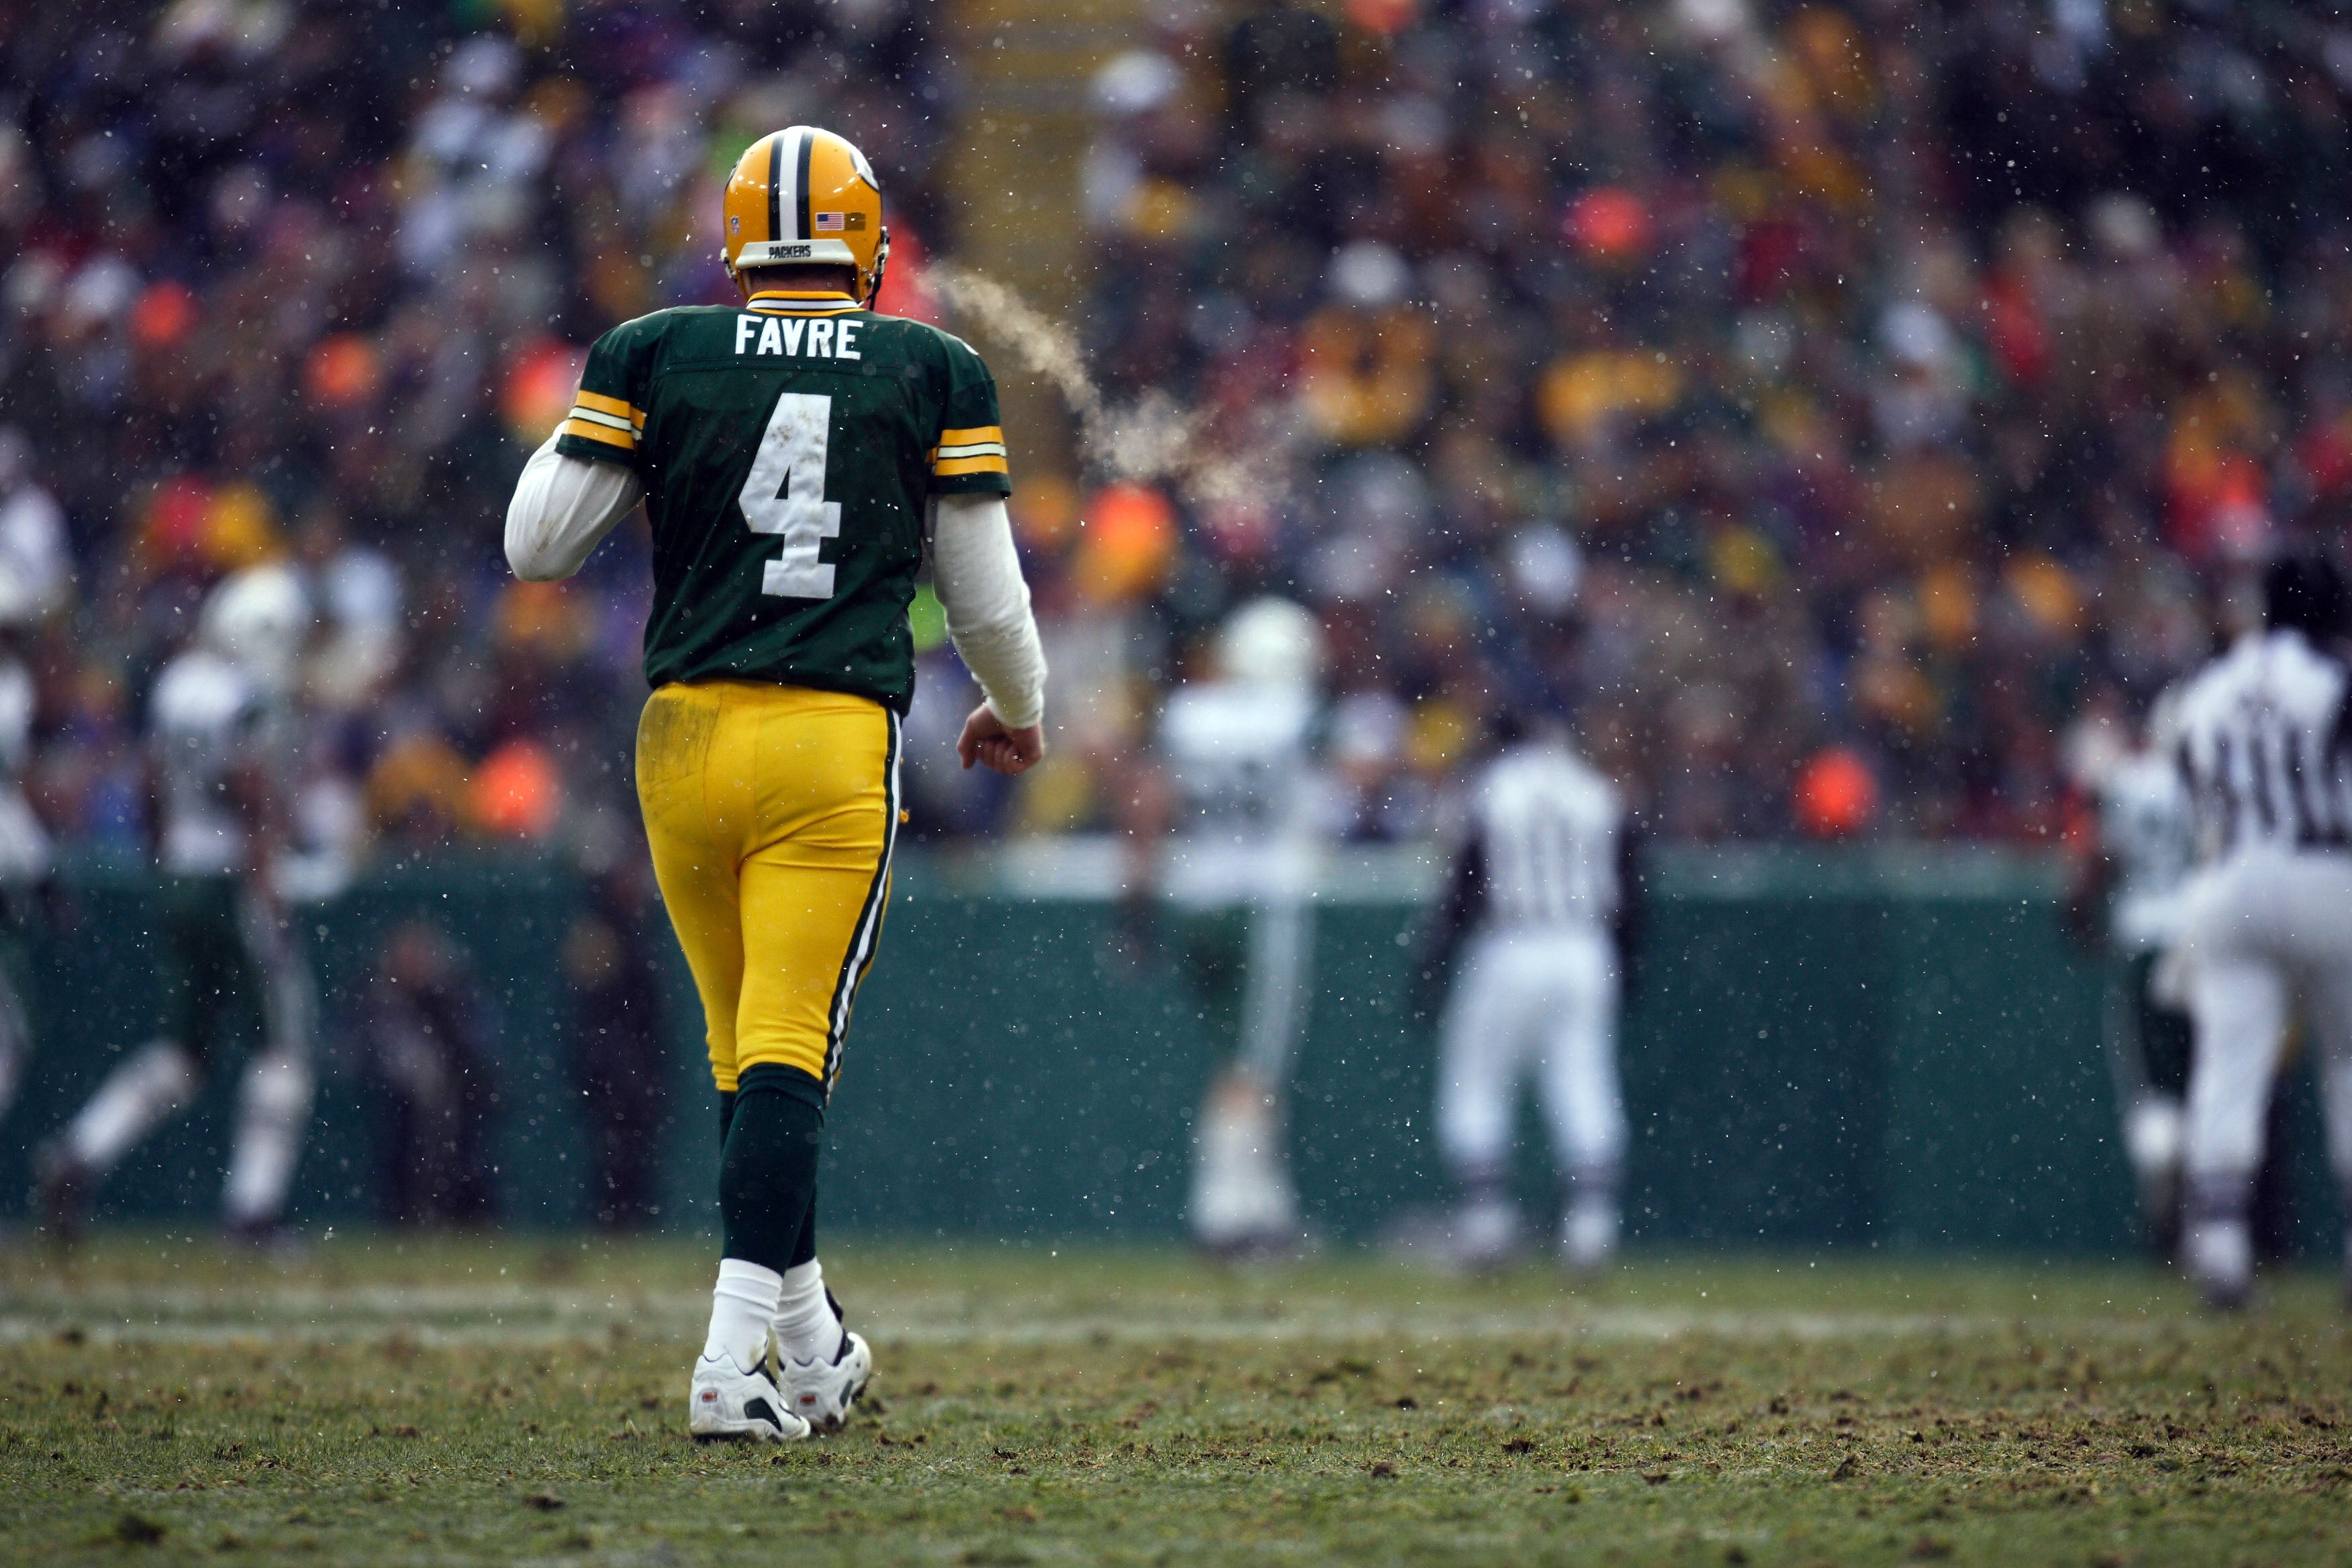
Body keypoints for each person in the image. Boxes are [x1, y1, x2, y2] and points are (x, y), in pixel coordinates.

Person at [504, 125, 1046, 1442]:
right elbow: (982, 595)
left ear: (740, 244)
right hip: (825, 740)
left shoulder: (653, 349)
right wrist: (1021, 712)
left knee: (745, 1052)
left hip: (683, 741)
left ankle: (812, 1350)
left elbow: (535, 546)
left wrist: (615, 414)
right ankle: (728, 1359)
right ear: (864, 246)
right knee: (791, 1048)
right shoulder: (929, 365)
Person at [36, 566, 320, 1246]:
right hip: (228, 878)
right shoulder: (245, 695)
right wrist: (264, 871)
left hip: (180, 879)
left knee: (184, 1051)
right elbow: (246, 782)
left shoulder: (177, 685)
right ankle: (253, 1210)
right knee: (283, 1049)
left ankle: (82, 1148)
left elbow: (150, 785)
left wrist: (166, 864)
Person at [2170, 551, 2352, 1310]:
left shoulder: (2208, 688)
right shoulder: (2335, 683)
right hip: (2328, 874)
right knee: (2349, 1062)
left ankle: (2220, 1246)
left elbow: (2191, 791)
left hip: (2229, 879)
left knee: (2228, 1065)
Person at [1415, 708, 1638, 1272]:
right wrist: (1629, 965)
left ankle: (1486, 1223)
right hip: (1586, 946)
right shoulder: (1595, 791)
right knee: (1583, 1080)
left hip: (1511, 945)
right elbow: (1634, 884)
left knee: (1478, 1080)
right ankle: (1592, 1226)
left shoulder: (1495, 789)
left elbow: (1465, 882)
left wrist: (1433, 962)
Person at [1157, 597, 1326, 1256]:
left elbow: (1156, 798)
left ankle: (1262, 1205)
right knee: (1254, 1062)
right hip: (1262, 901)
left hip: (1197, 898)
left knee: (1237, 1058)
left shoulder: (1190, 713)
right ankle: (1225, 1210)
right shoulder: (1297, 716)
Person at [2067, 698, 2200, 1259]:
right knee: (2207, 1081)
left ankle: (2164, 1184)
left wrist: (2080, 916)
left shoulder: (2127, 782)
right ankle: (2216, 1219)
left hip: (2145, 941)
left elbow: (2095, 860)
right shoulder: (2213, 783)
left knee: (2151, 1086)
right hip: (2204, 944)